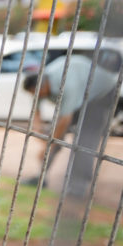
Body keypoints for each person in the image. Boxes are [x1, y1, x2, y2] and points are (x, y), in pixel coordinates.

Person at [22, 52, 119, 197]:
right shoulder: (41, 82)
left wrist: (48, 146)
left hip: (102, 95)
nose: (37, 97)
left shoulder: (67, 85)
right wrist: (40, 134)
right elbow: (36, 113)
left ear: (42, 87)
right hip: (81, 93)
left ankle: (78, 187)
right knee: (54, 136)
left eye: (37, 94)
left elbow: (64, 120)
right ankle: (40, 177)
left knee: (84, 142)